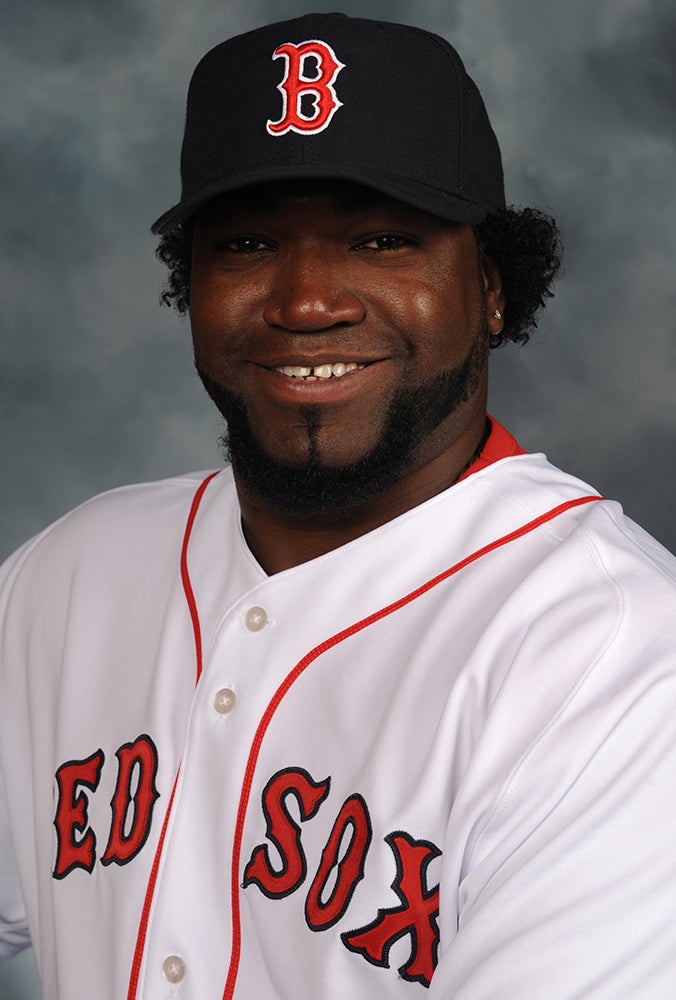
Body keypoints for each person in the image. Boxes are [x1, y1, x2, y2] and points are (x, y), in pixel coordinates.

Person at [1, 12, 675, 1000]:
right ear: (190, 285)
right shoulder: (69, 575)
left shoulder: (611, 654)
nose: (306, 300)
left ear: (491, 285)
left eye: (381, 238)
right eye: (247, 241)